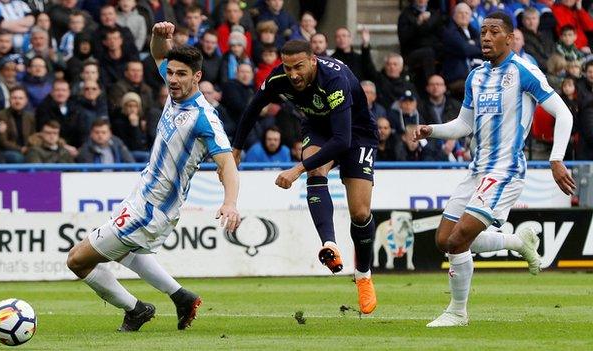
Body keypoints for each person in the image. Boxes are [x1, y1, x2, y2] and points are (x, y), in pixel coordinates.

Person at [66, 21, 241, 332]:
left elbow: (227, 165)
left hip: (152, 209)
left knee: (78, 261)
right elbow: (160, 56)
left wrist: (230, 203)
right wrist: (159, 37)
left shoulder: (204, 119)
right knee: (131, 253)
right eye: (170, 73)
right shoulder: (175, 92)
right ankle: (181, 297)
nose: (171, 79)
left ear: (197, 77)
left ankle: (136, 310)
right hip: (141, 196)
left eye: (180, 74)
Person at [413, 12, 576, 327]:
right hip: (477, 169)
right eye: (482, 31)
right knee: (444, 239)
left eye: (493, 31)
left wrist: (556, 158)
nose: (485, 37)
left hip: (506, 170)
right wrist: (431, 130)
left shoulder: (524, 71)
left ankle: (457, 313)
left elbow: (564, 113)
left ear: (510, 38)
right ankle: (517, 242)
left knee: (459, 239)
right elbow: (463, 124)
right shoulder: (476, 76)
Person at [231, 40, 379, 315]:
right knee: (316, 169)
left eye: (299, 67)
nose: (293, 74)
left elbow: (342, 139)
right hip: (319, 128)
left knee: (360, 213)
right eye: (288, 68)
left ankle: (363, 275)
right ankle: (330, 244)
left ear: (313, 61)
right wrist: (236, 149)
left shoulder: (333, 79)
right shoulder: (278, 78)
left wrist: (296, 169)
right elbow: (253, 108)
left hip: (356, 134)